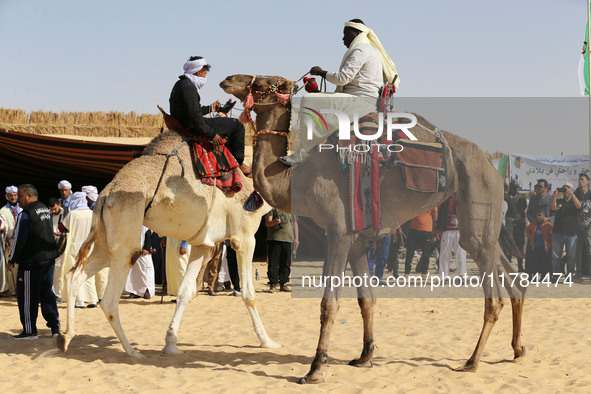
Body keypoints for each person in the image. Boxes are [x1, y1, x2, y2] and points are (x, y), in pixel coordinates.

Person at [279, 19, 400, 166]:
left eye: (346, 34)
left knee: (307, 100)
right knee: (315, 99)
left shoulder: (360, 50)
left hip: (361, 101)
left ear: (356, 33)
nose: (343, 39)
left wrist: (320, 72)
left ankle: (303, 154)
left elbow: (342, 78)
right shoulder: (370, 50)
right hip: (364, 99)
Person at [169, 56, 249, 174]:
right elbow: (195, 117)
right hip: (192, 126)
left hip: (187, 122)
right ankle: (238, 163)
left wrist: (210, 108)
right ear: (198, 72)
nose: (205, 77)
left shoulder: (181, 84)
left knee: (224, 123)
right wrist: (211, 134)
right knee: (236, 125)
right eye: (204, 74)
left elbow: (192, 111)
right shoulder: (188, 88)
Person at [7, 184, 60, 339]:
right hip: (48, 258)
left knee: (27, 296)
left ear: (29, 196)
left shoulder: (26, 214)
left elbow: (19, 240)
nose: (18, 200)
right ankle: (55, 328)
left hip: (31, 261)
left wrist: (12, 259)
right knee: (47, 293)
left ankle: (30, 331)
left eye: (21, 196)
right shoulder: (45, 209)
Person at [59, 192, 98, 308]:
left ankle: (79, 301)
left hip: (75, 249)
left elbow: (61, 227)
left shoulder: (73, 214)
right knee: (89, 273)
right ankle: (92, 300)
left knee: (76, 274)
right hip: (90, 248)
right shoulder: (92, 214)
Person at [550, 183, 581, 278]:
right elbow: (553, 208)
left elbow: (579, 206)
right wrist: (554, 197)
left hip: (571, 233)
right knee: (556, 256)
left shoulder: (574, 202)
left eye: (568, 189)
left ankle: (570, 276)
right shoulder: (559, 201)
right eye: (564, 189)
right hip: (558, 232)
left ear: (572, 190)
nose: (566, 191)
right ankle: (556, 276)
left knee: (571, 257)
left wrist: (573, 195)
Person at [265, 208, 299, 292]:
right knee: (273, 263)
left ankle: (283, 284)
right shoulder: (271, 208)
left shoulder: (290, 208)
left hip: (288, 239)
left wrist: (296, 238)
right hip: (274, 239)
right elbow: (267, 223)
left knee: (286, 263)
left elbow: (295, 223)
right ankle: (273, 284)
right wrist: (275, 222)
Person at [436, 196, 467, 278]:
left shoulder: (462, 199)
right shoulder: (444, 200)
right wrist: (438, 228)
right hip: (447, 231)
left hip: (459, 231)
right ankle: (444, 276)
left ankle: (462, 275)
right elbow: (440, 214)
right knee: (444, 254)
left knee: (461, 254)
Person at [0, 185, 21, 296]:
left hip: (22, 241)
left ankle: (20, 289)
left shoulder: (23, 209)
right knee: (10, 267)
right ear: (7, 196)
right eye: (10, 195)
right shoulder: (3, 211)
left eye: (14, 195)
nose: (13, 197)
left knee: (21, 265)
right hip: (9, 241)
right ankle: (12, 290)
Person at [125, 226, 156, 299]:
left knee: (146, 270)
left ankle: (146, 291)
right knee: (134, 272)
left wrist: (146, 248)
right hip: (134, 251)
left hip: (144, 252)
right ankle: (135, 292)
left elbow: (148, 233)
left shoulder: (145, 224)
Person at [404, 208, 438, 275]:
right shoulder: (417, 200)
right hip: (413, 230)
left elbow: (435, 219)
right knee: (409, 253)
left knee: (426, 254)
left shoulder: (433, 202)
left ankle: (424, 273)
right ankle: (406, 273)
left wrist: (434, 235)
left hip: (427, 231)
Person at [505, 181, 527, 272]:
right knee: (508, 245)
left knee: (519, 245)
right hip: (509, 223)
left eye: (517, 188)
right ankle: (508, 265)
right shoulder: (506, 197)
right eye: (514, 187)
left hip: (519, 224)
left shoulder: (522, 197)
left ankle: (520, 266)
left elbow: (523, 209)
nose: (516, 189)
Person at [525, 209, 553, 277]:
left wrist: (550, 239)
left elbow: (553, 231)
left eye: (540, 215)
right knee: (535, 262)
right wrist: (530, 237)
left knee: (544, 262)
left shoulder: (547, 224)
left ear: (544, 216)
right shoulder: (533, 224)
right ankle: (535, 276)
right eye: (537, 216)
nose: (538, 217)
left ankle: (543, 276)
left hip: (544, 247)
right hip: (535, 247)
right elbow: (527, 230)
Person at [47, 197, 65, 302]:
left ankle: (59, 294)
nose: (53, 211)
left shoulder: (66, 213)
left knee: (59, 269)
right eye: (51, 209)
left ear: (59, 205)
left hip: (61, 244)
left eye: (55, 209)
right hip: (50, 244)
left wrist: (61, 234)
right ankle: (51, 292)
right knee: (50, 270)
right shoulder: (49, 214)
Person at [575, 172, 591, 278]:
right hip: (577, 226)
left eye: (582, 180)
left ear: (587, 181)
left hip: (589, 226)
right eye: (579, 180)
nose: (580, 182)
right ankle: (579, 272)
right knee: (578, 250)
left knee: (589, 249)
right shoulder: (576, 194)